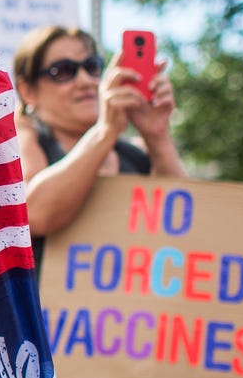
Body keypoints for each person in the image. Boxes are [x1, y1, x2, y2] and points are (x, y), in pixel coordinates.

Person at [11, 25, 186, 264]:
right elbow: (33, 215)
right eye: (63, 71)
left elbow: (185, 225)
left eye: (92, 67)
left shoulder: (134, 156)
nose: (86, 81)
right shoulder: (23, 141)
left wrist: (158, 136)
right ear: (28, 91)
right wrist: (105, 131)